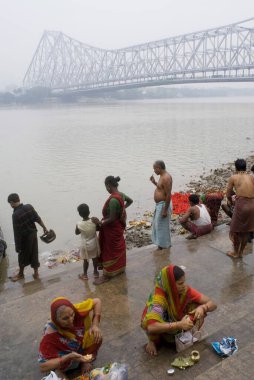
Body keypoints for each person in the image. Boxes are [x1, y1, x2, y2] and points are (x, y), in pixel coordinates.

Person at [141, 265, 217, 356]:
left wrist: (202, 308)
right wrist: (179, 324)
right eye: (180, 284)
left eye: (184, 282)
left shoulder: (185, 290)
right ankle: (152, 341)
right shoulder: (158, 299)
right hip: (164, 328)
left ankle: (185, 334)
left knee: (197, 306)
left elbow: (212, 304)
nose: (184, 286)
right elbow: (151, 327)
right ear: (171, 284)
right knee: (151, 320)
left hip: (177, 323)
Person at [39, 297, 102, 378]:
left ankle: (84, 361)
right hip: (63, 356)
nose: (71, 320)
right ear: (56, 319)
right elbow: (43, 366)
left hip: (78, 346)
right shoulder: (50, 332)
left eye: (72, 315)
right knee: (55, 371)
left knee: (96, 335)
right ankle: (59, 371)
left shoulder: (75, 309)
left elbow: (97, 301)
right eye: (65, 318)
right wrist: (67, 357)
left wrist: (95, 325)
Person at [92, 176, 133, 285]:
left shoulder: (114, 200)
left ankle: (107, 274)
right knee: (117, 248)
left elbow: (111, 218)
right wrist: (122, 209)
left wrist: (99, 223)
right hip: (118, 227)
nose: (106, 189)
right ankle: (119, 269)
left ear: (109, 186)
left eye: (106, 187)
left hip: (111, 228)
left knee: (109, 250)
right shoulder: (121, 195)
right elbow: (130, 201)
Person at [7, 193, 48, 281]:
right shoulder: (29, 207)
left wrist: (17, 247)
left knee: (21, 256)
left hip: (24, 238)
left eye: (10, 204)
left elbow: (17, 232)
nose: (10, 205)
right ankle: (36, 273)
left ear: (12, 202)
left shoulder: (15, 215)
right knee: (34, 253)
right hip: (33, 234)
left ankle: (21, 274)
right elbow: (37, 218)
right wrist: (44, 227)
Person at [226, 159, 254, 258]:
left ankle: (235, 253)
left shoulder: (233, 177)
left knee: (234, 230)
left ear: (236, 167)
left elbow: (228, 193)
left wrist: (230, 200)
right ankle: (241, 252)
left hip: (242, 205)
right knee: (246, 231)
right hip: (252, 205)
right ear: (245, 167)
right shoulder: (251, 177)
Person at [150, 160, 172, 249]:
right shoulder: (162, 176)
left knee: (162, 226)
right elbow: (160, 188)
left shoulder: (166, 177)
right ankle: (161, 245)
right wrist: (154, 182)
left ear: (159, 167)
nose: (154, 170)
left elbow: (168, 194)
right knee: (158, 225)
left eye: (155, 168)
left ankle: (164, 246)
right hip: (160, 204)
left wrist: (165, 210)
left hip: (163, 205)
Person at [75, 204, 100, 281]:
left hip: (84, 245)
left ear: (79, 214)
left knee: (86, 260)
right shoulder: (94, 221)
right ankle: (95, 272)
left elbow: (76, 233)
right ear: (89, 212)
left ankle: (85, 274)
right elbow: (98, 228)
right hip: (94, 244)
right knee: (95, 258)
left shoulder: (78, 224)